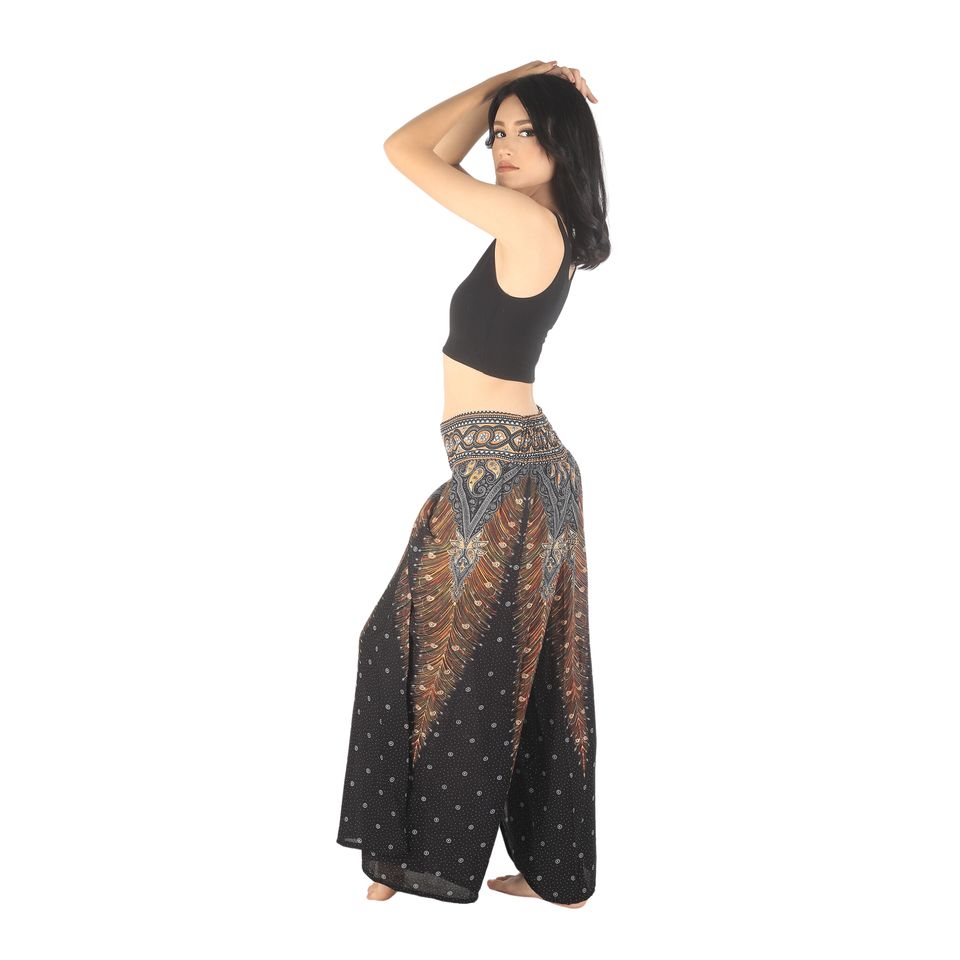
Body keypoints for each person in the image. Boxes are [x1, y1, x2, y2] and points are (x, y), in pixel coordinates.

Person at [336, 60, 610, 906]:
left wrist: (509, 75)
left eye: (527, 132)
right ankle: (557, 878)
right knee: (531, 672)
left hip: (509, 480)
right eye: (499, 132)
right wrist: (507, 92)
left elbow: (406, 149)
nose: (504, 147)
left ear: (565, 143)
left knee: (426, 651)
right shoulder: (545, 224)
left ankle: (405, 862)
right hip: (520, 471)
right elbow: (439, 157)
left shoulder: (528, 222)